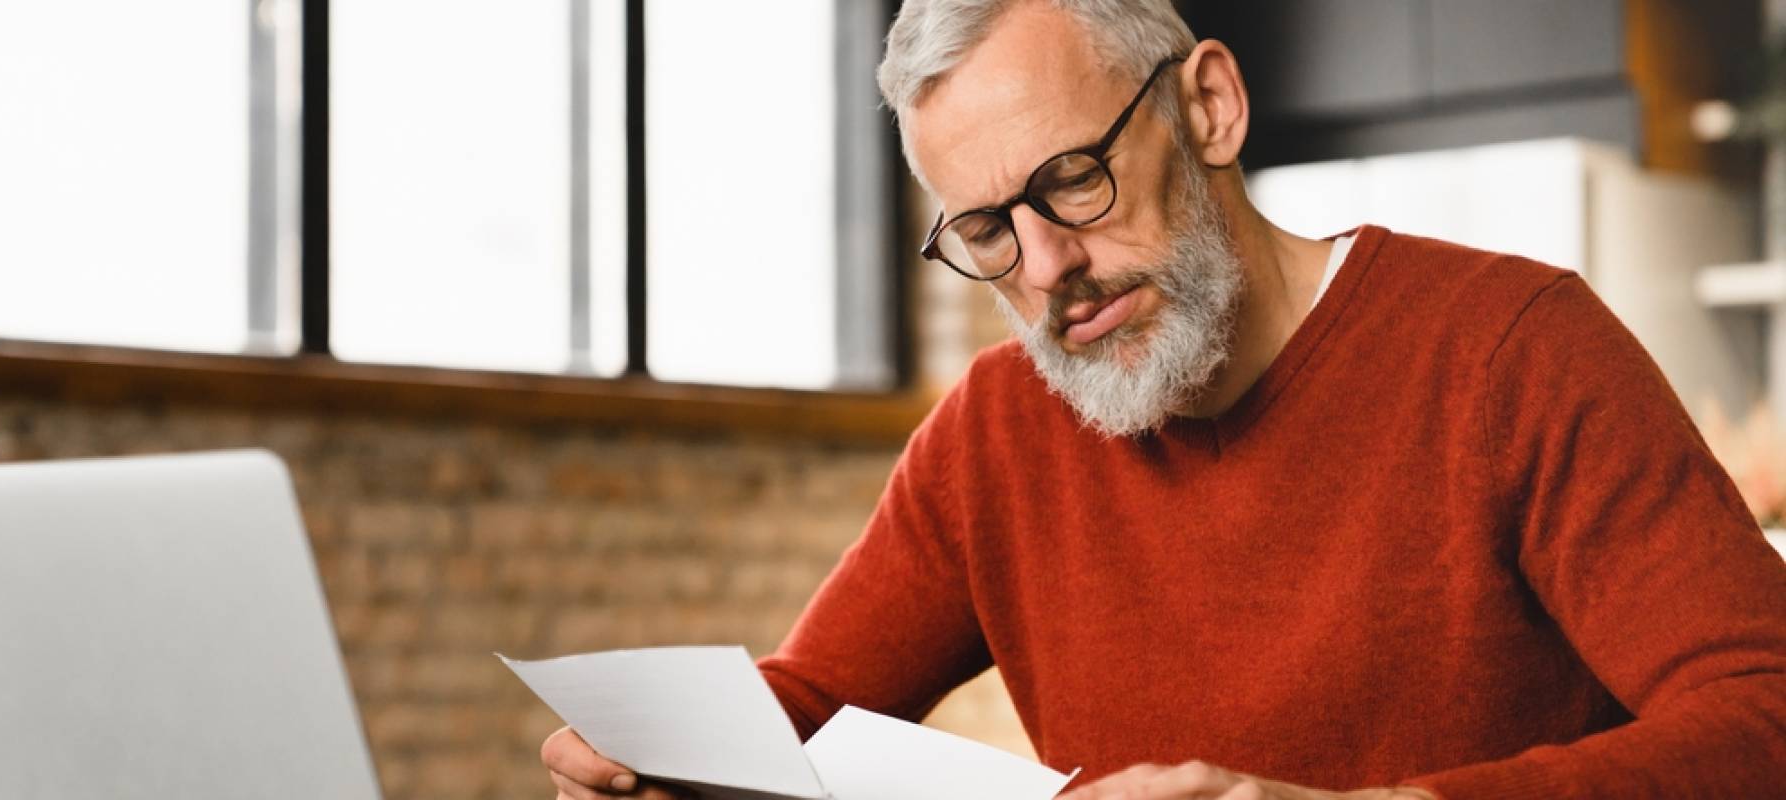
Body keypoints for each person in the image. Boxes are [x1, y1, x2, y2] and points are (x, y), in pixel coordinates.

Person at [542, 1, 1786, 797]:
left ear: (1209, 106)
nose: (1042, 269)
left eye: (1073, 182)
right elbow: (807, 702)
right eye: (984, 228)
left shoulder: (1512, 347)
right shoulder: (993, 433)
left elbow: (1761, 714)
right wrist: (657, 753)